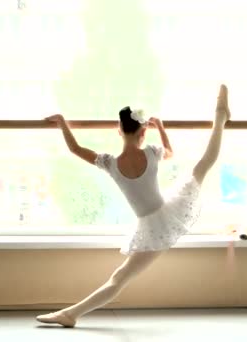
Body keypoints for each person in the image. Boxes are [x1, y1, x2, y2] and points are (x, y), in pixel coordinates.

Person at [37, 85, 231, 328]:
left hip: (153, 225)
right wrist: (160, 127)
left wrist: (62, 122)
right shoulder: (151, 153)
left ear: (119, 130)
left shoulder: (110, 163)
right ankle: (220, 116)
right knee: (204, 163)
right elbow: (170, 152)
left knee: (118, 279)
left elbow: (75, 149)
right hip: (165, 215)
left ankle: (70, 314)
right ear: (143, 132)